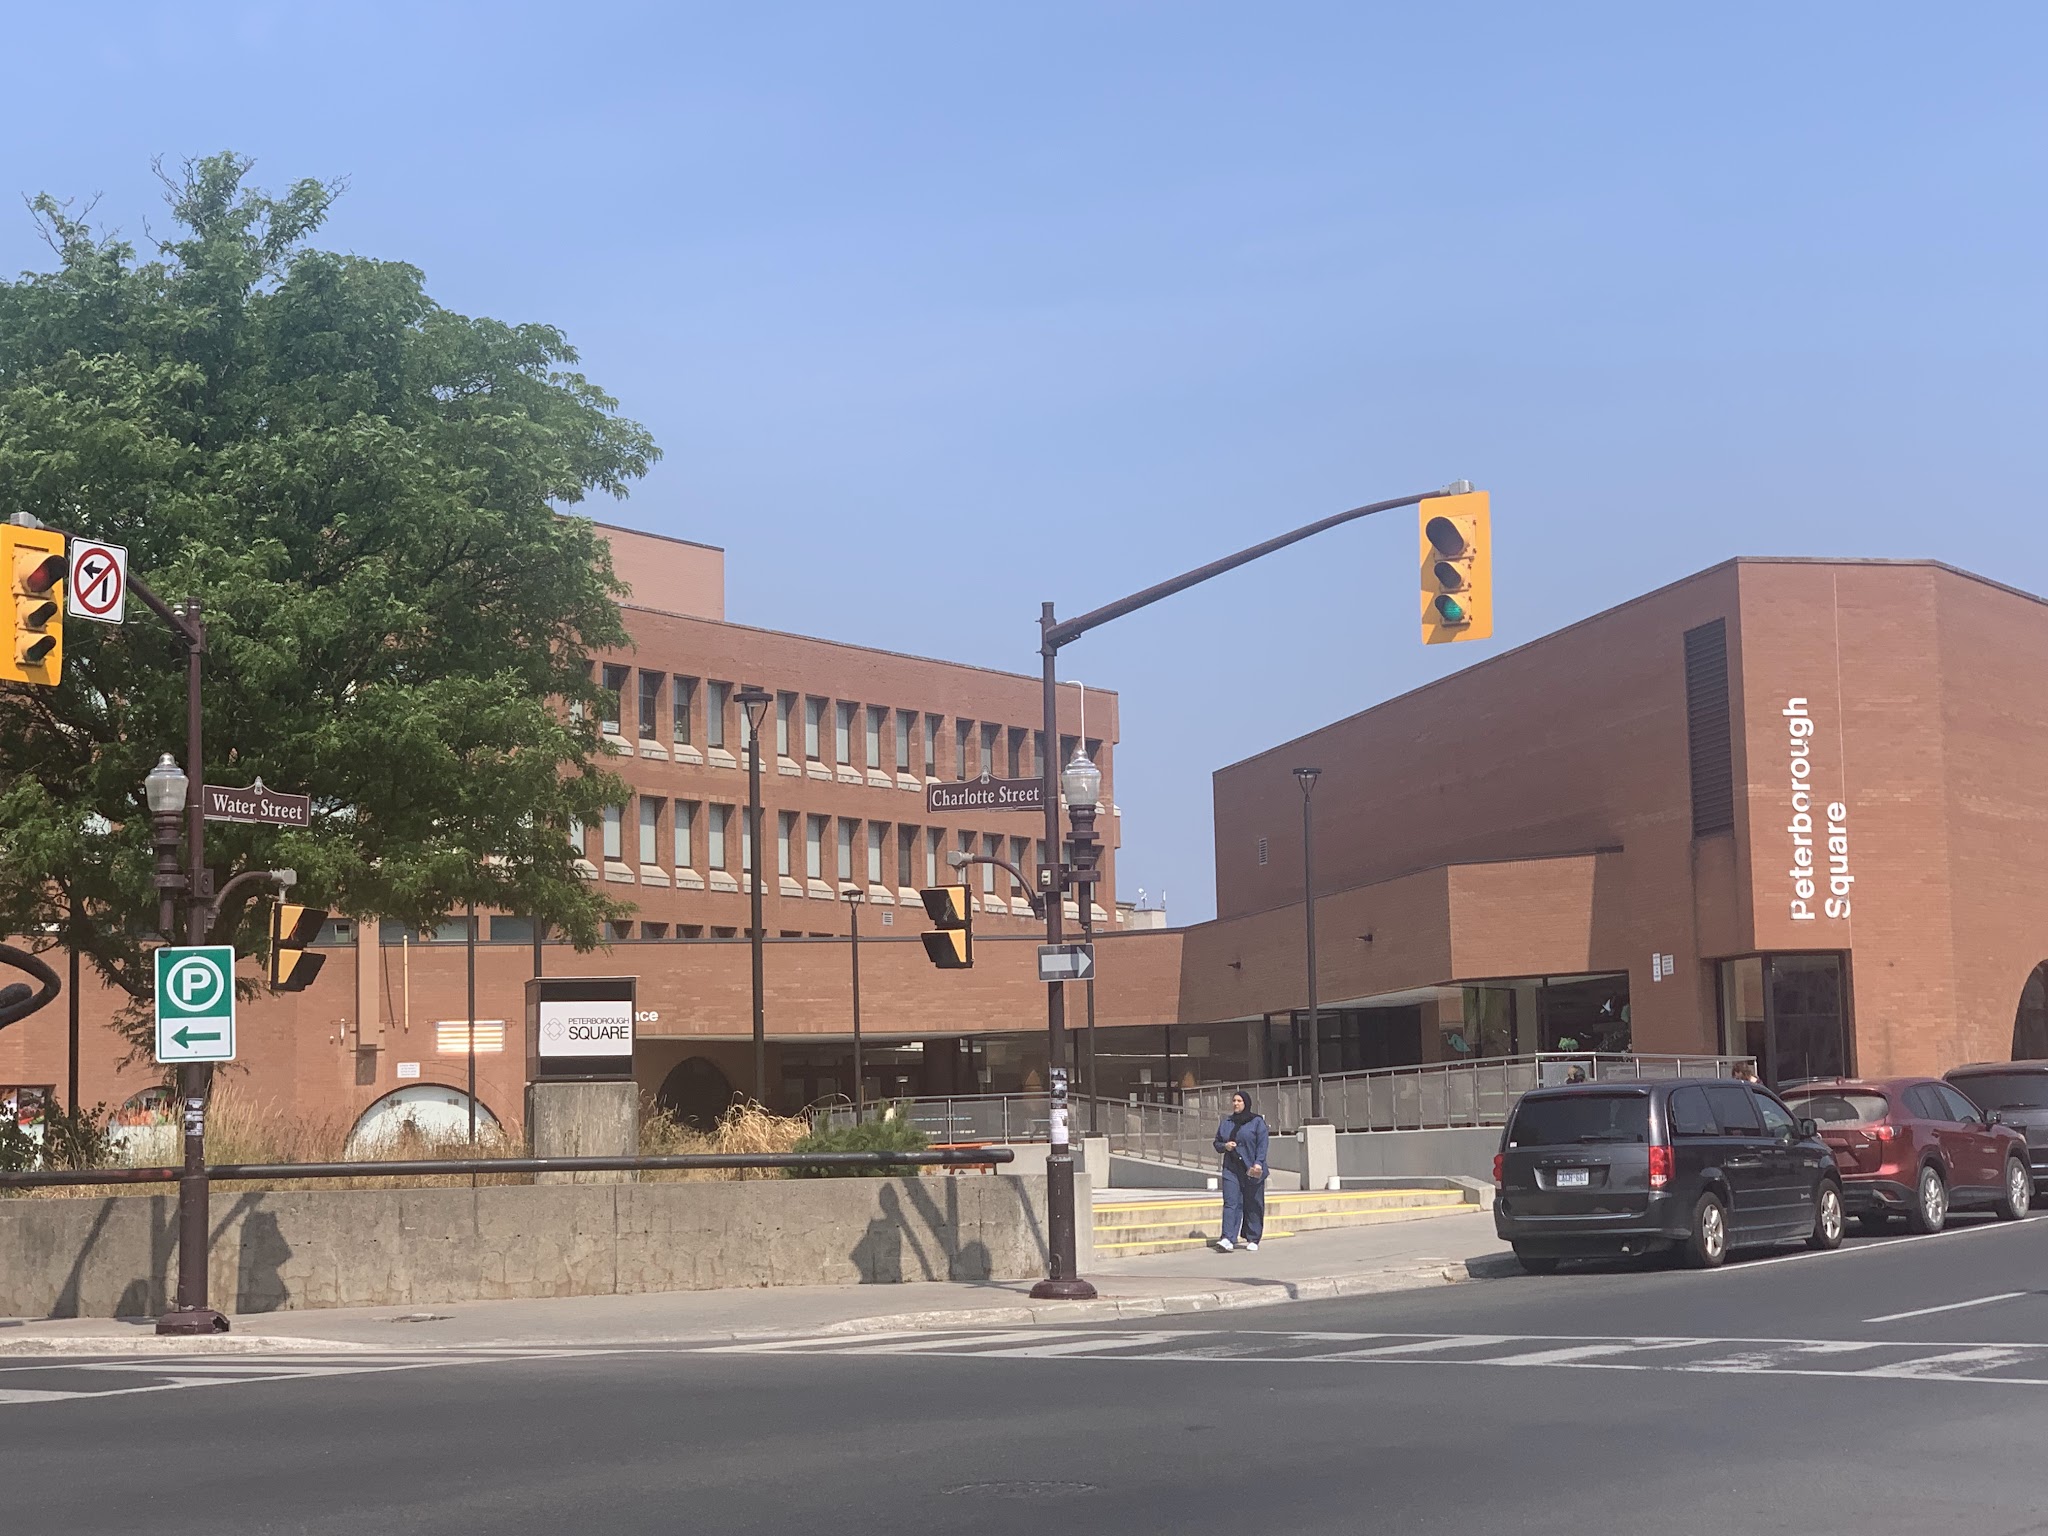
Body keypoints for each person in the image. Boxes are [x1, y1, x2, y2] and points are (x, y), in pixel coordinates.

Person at [1212, 1090, 1269, 1253]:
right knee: (1231, 1202)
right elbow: (1217, 1143)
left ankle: (1253, 1237)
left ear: (1246, 1103)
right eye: (1234, 1101)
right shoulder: (1227, 1122)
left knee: (1253, 1203)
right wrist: (1225, 1146)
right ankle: (1228, 1238)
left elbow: (1262, 1145)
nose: (1236, 1104)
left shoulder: (1257, 1122)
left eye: (1239, 1101)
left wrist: (1259, 1162)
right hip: (1232, 1169)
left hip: (1252, 1168)